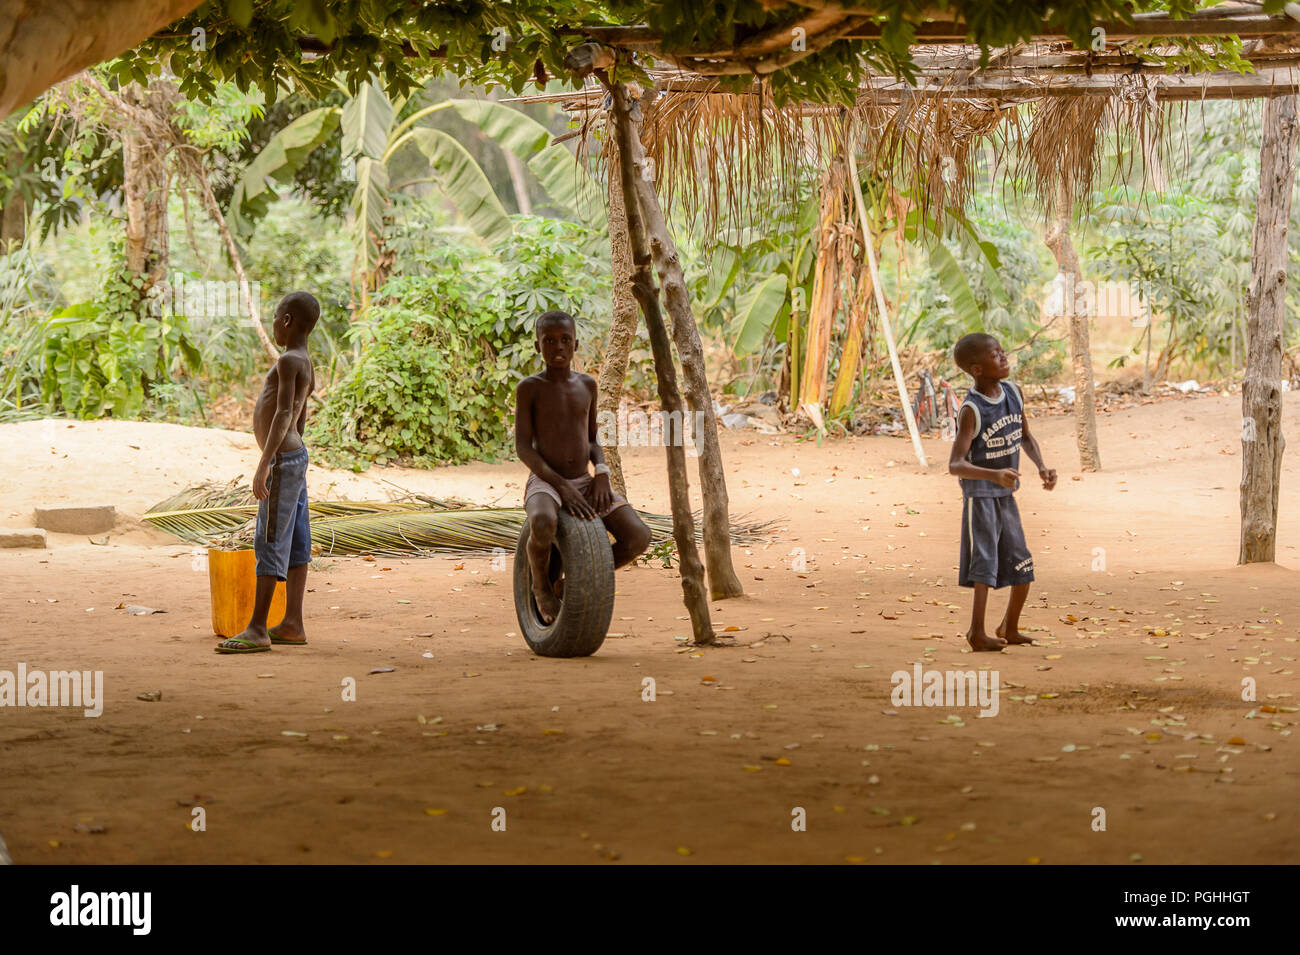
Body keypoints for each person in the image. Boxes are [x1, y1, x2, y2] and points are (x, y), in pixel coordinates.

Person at [515, 310, 651, 624]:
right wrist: (560, 485)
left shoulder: (587, 385)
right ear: (538, 346)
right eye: (549, 341)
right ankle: (540, 584)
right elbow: (523, 447)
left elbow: (592, 438)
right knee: (542, 521)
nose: (558, 347)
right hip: (546, 482)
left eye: (565, 340)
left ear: (577, 344)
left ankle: (571, 581)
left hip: (586, 481)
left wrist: (601, 473)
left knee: (638, 537)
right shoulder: (529, 389)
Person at [216, 292, 318, 653]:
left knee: (271, 538)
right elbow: (302, 419)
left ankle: (258, 628)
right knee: (298, 540)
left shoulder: (289, 360)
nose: (273, 323)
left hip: (283, 460)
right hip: (295, 457)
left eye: (275, 317)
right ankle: (292, 622)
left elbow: (284, 414)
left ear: (287, 321)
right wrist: (293, 457)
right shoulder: (305, 361)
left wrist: (266, 463)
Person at [947, 332, 1057, 652]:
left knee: (1022, 565)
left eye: (1003, 352)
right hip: (980, 497)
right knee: (985, 565)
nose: (1004, 357)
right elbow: (955, 464)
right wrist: (994, 475)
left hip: (1005, 495)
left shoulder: (1013, 393)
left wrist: (1041, 466)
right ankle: (976, 633)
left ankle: (1009, 626)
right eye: (996, 356)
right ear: (977, 369)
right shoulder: (972, 409)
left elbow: (1025, 436)